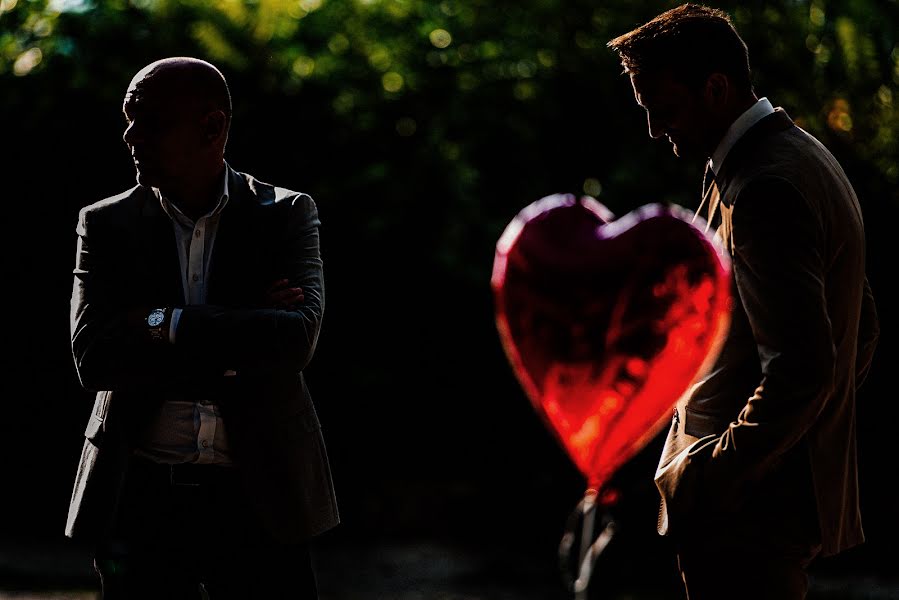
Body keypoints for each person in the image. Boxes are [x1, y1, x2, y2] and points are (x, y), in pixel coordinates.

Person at [607, 5, 879, 599]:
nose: (656, 130)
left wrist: (716, 475)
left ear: (716, 87)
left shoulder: (765, 187)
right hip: (769, 501)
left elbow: (806, 366)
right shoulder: (797, 157)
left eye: (665, 109)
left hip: (750, 514)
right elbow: (861, 328)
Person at [65, 56, 339, 599]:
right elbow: (94, 355)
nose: (130, 135)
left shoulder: (284, 213)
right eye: (128, 117)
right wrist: (243, 323)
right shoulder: (105, 222)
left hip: (262, 492)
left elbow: (296, 341)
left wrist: (156, 323)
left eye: (150, 120)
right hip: (141, 497)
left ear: (212, 127)